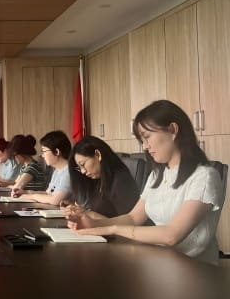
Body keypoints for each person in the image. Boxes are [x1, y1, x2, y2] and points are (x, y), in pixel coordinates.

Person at [67, 100, 223, 265]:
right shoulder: (158, 175)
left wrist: (111, 228)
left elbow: (171, 235)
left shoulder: (204, 177)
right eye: (142, 140)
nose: (145, 147)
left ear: (172, 130)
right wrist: (94, 224)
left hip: (194, 270)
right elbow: (133, 218)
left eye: (147, 137)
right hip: (161, 262)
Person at [65, 136, 140, 218]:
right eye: (79, 168)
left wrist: (87, 214)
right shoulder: (98, 179)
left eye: (83, 164)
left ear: (98, 155)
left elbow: (129, 222)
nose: (83, 171)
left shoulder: (121, 181)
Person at [12, 130, 72, 205]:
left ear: (57, 152)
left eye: (44, 151)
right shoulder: (57, 171)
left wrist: (31, 196)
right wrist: (26, 192)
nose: (42, 155)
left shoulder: (69, 172)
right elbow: (48, 193)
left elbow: (55, 200)